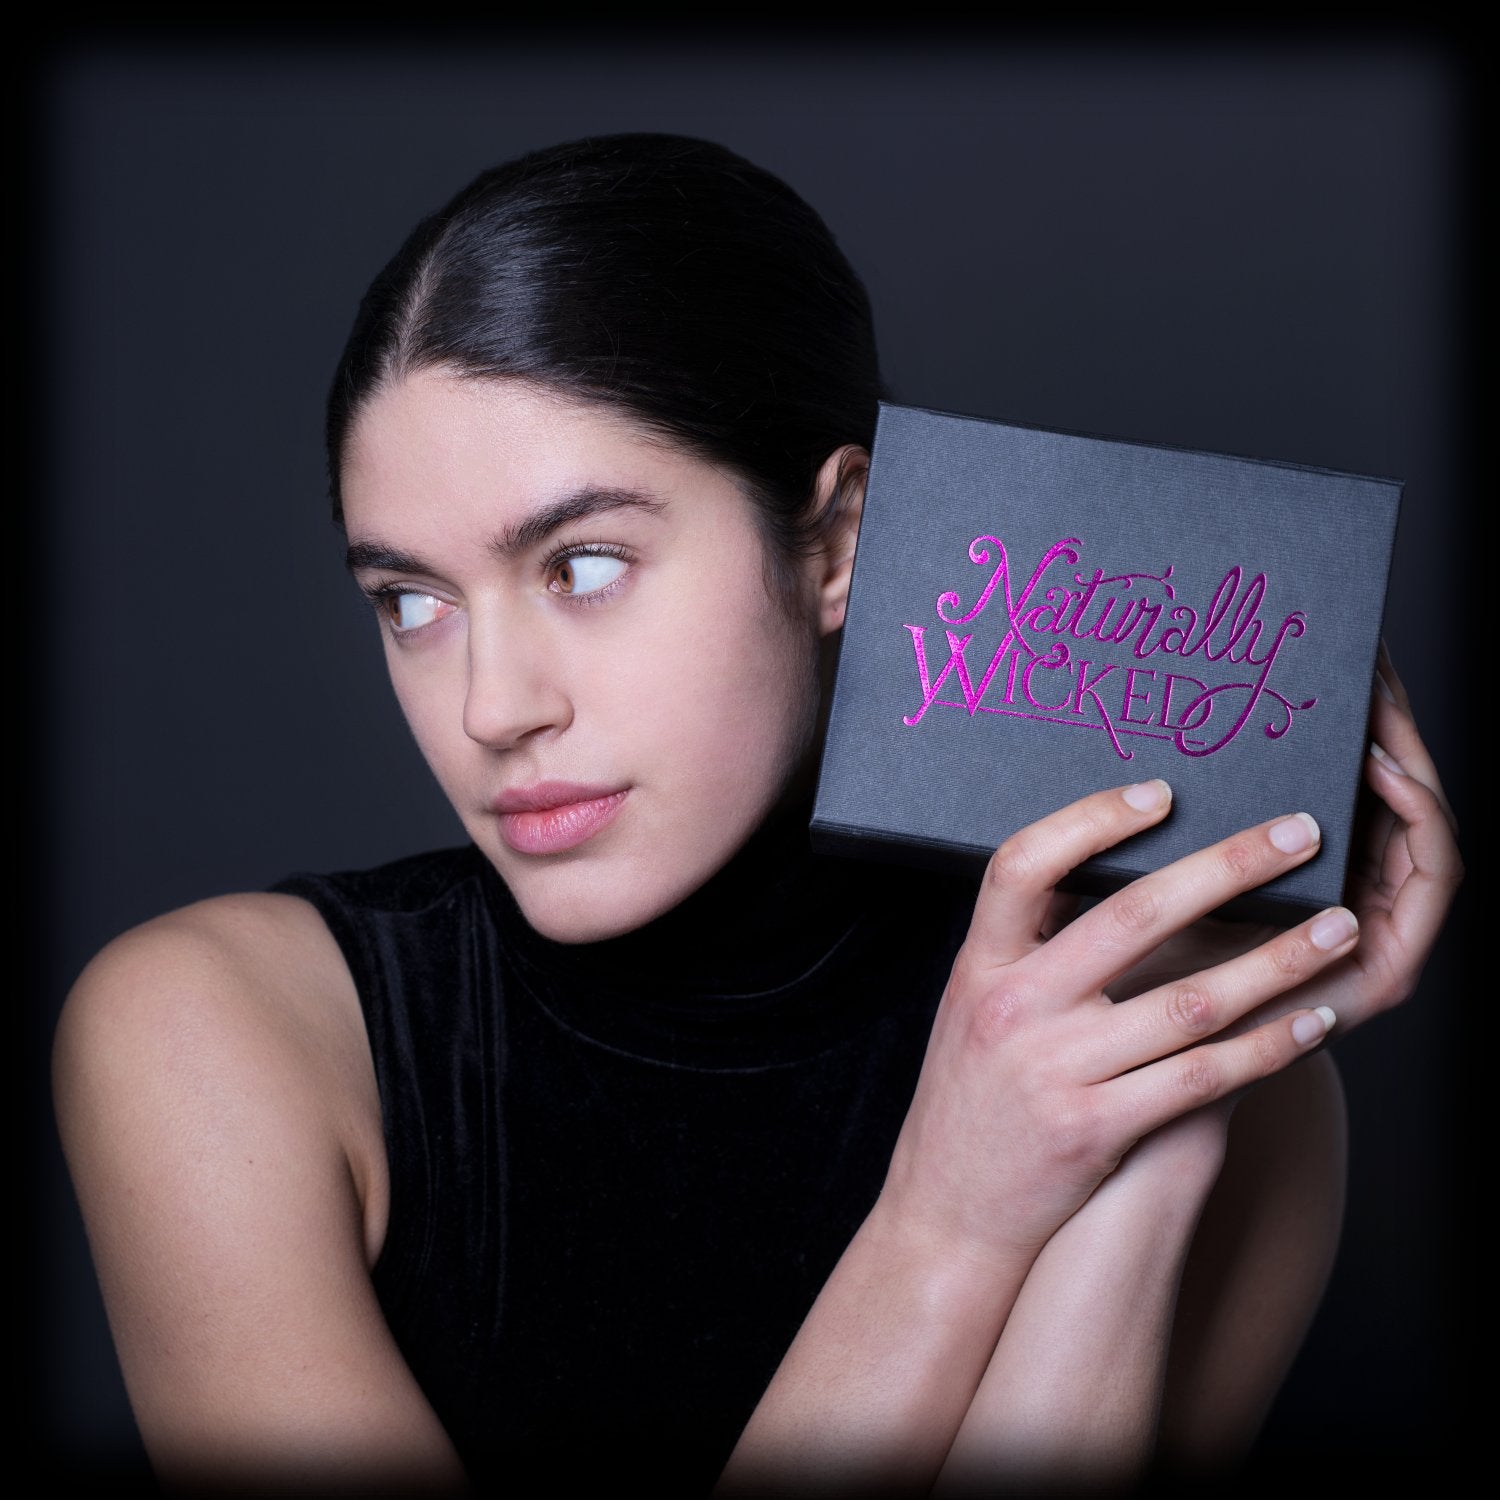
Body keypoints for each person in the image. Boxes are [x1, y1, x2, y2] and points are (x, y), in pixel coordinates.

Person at [52, 132, 1462, 1497]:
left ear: (841, 539)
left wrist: (1157, 1115)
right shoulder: (214, 1040)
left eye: (584, 565)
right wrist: (950, 1222)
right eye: (410, 603)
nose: (491, 707)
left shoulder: (1241, 1109)